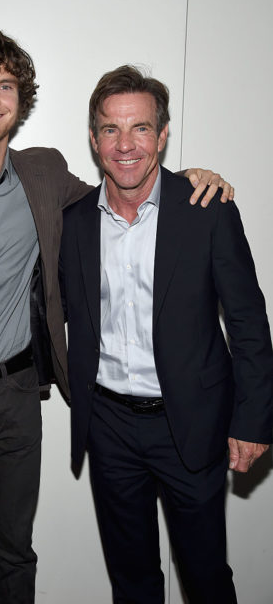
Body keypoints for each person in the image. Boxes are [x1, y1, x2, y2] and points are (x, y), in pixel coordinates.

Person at [0, 26, 231, 604]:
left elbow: (122, 192)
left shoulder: (45, 174)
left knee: (16, 555)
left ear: (21, 99)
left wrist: (189, 182)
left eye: (5, 84)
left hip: (17, 401)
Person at [60, 65, 272, 604]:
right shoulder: (75, 220)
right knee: (132, 581)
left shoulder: (207, 209)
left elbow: (247, 321)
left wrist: (253, 420)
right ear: (93, 138)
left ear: (164, 134)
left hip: (191, 425)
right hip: (108, 426)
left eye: (141, 128)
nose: (125, 144)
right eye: (110, 129)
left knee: (204, 576)